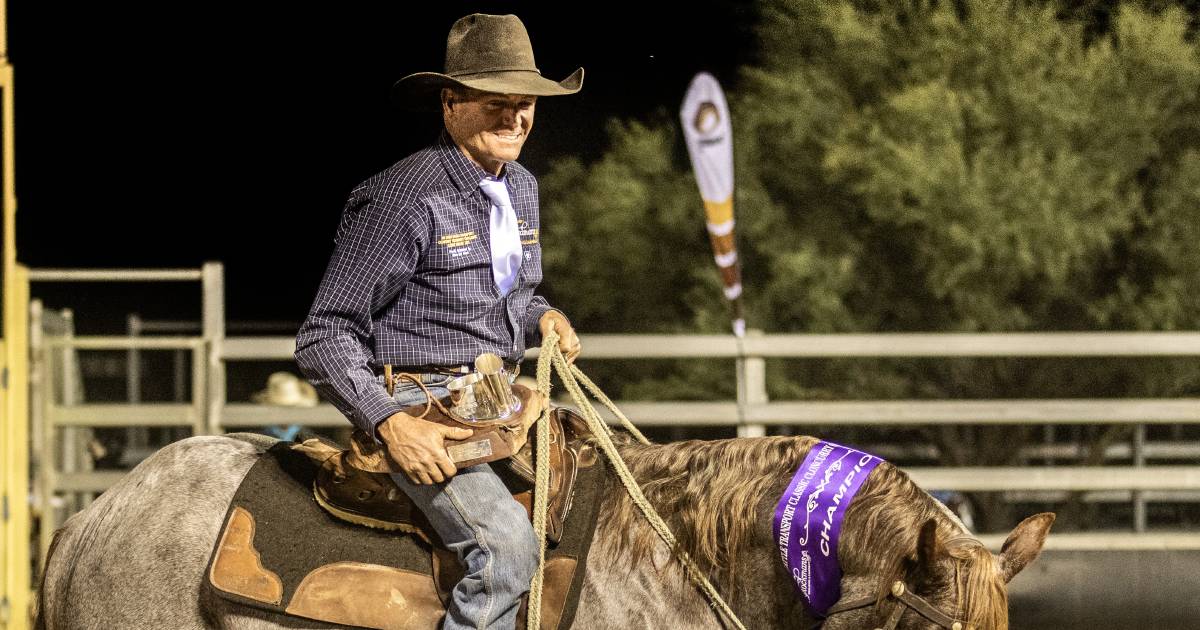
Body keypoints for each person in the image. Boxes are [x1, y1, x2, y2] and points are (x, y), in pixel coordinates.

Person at [294, 13, 582, 630]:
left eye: (526, 103)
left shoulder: (522, 187)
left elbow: (508, 295)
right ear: (450, 105)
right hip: (418, 404)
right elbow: (323, 335)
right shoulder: (404, 196)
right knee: (506, 551)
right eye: (496, 103)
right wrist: (391, 424)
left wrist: (545, 316)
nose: (515, 119)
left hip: (496, 399)